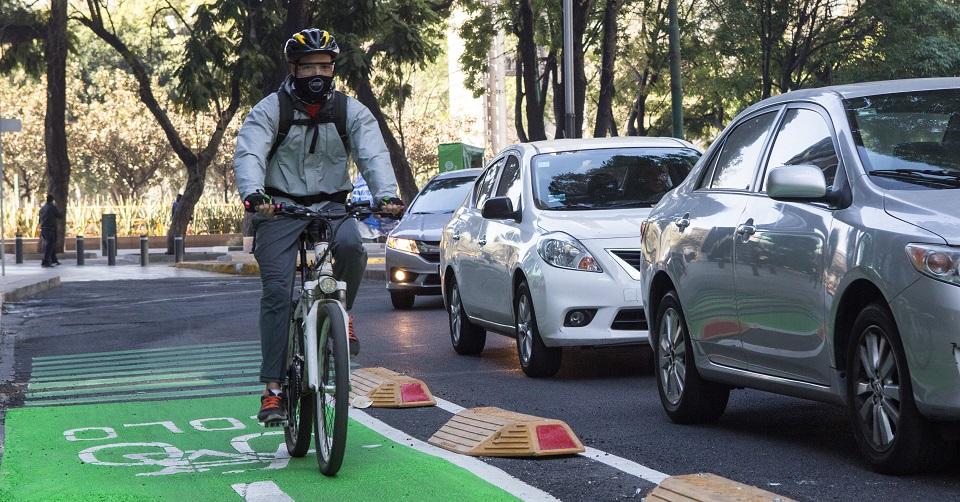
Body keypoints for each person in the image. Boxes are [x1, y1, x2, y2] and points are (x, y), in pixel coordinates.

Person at [233, 28, 404, 423]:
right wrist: (255, 194)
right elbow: (250, 153)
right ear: (293, 68)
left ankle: (342, 315)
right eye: (308, 65)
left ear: (333, 69)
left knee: (352, 248)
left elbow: (373, 153)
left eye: (324, 66)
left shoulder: (350, 111)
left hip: (332, 206)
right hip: (278, 207)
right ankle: (272, 389)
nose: (317, 73)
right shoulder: (269, 110)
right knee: (277, 291)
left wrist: (386, 194)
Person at [39, 195, 62, 268]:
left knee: (50, 244)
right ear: (52, 201)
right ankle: (45, 261)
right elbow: (59, 216)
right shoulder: (52, 207)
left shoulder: (42, 208)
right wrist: (60, 210)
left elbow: (39, 219)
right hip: (50, 229)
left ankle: (54, 259)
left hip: (43, 229)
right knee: (50, 245)